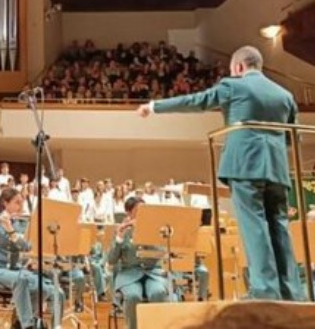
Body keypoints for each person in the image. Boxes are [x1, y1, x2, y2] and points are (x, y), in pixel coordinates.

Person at [138, 45, 303, 301]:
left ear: (238, 67)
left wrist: (155, 106)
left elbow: (197, 101)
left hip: (245, 165)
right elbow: (293, 138)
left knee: (254, 225)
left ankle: (265, 290)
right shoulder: (285, 95)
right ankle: (292, 291)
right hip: (278, 168)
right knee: (279, 226)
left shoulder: (233, 85)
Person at [0, 187, 64, 329]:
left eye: (22, 202)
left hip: (14, 270)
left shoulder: (20, 223)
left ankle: (22, 321)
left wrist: (11, 231)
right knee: (22, 279)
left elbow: (26, 247)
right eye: (17, 202)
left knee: (44, 287)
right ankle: (28, 325)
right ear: (5, 203)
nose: (21, 206)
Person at [108, 197, 169, 329]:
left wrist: (147, 237)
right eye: (138, 210)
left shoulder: (154, 229)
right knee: (132, 296)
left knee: (158, 292)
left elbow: (161, 253)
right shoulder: (122, 230)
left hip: (153, 272)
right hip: (129, 274)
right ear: (129, 213)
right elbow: (111, 260)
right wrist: (119, 238)